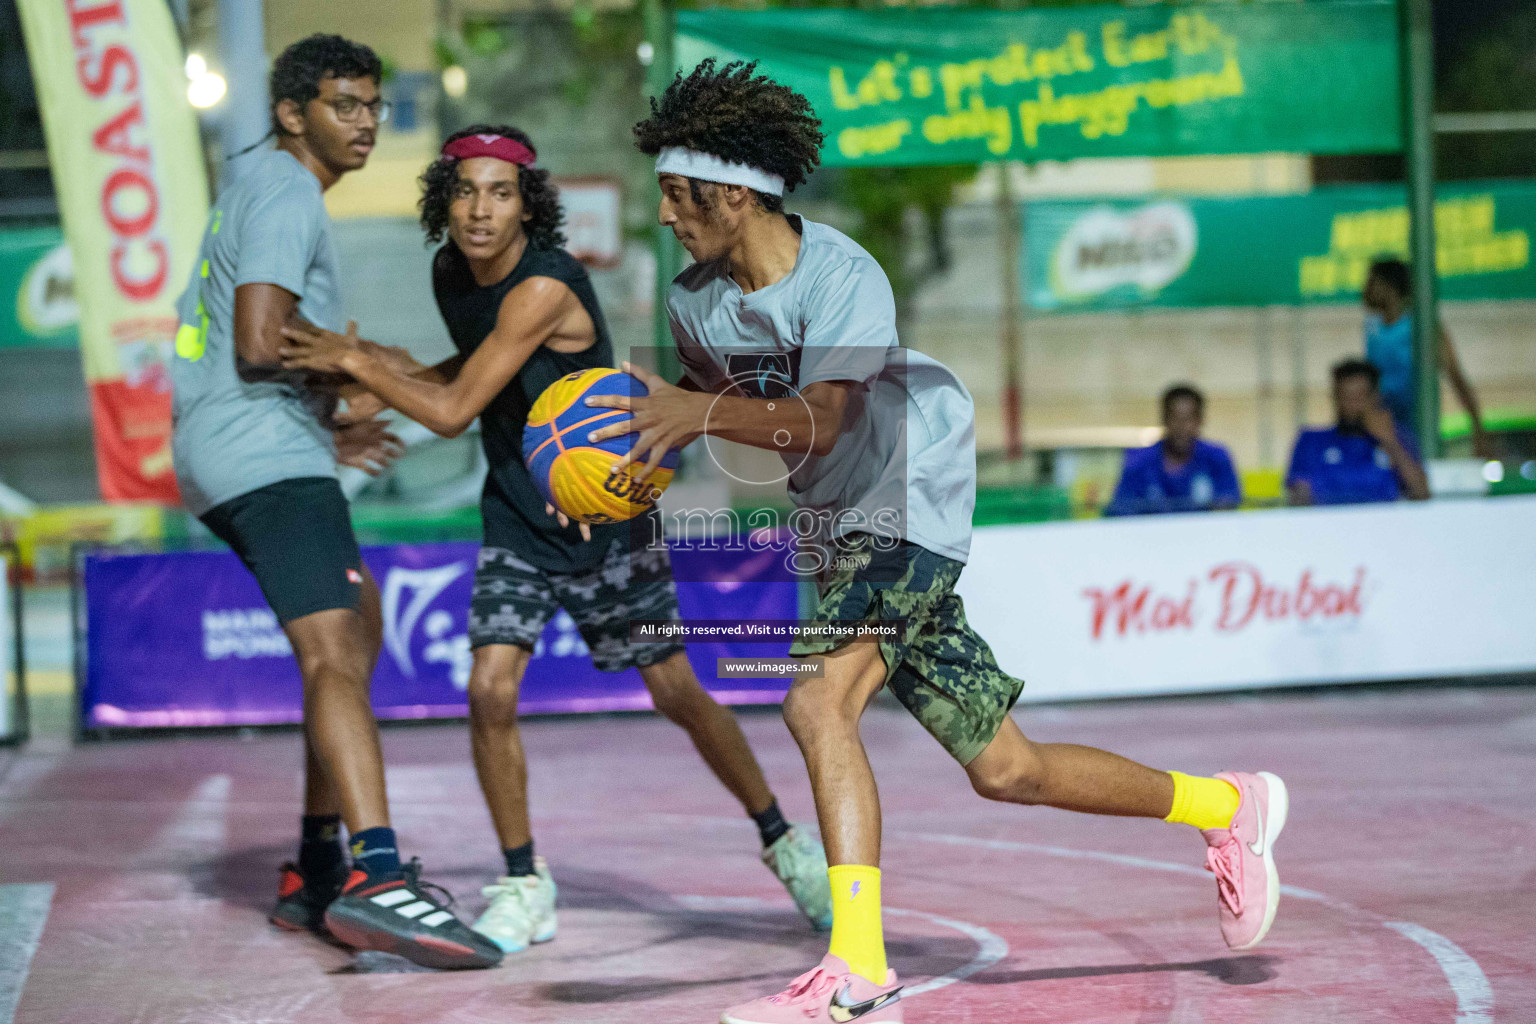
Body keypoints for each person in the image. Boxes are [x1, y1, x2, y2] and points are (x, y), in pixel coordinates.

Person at [591, 59, 1290, 1024]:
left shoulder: (844, 278)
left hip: (910, 492)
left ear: (736, 191)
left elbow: (825, 422)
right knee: (1008, 769)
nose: (665, 216)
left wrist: (689, 410)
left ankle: (860, 968)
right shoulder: (693, 303)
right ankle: (1227, 806)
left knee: (816, 701)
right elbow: (736, 421)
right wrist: (632, 470)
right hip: (841, 527)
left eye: (677, 195)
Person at [277, 124, 834, 954]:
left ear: (527, 206)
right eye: (465, 190)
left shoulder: (544, 288)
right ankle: (523, 879)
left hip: (606, 510)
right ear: (444, 200)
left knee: (676, 692)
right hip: (517, 514)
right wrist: (379, 374)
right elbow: (474, 380)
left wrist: (362, 364)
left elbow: (455, 410)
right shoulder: (448, 272)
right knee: (490, 689)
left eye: (500, 193)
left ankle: (784, 839)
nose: (479, 208)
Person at [169, 35, 501, 970]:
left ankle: (315, 869)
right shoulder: (281, 190)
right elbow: (259, 339)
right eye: (343, 105)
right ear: (292, 113)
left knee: (358, 626)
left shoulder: (270, 189)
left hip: (257, 444)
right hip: (257, 452)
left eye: (371, 107)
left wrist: (331, 415)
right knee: (334, 651)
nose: (363, 123)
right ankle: (377, 877)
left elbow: (262, 347)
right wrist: (371, 369)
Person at [1362, 258, 1488, 455]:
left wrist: (1478, 428)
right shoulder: (1372, 327)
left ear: (1390, 287)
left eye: (1371, 283)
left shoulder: (1422, 327)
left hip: (1417, 434)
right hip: (1381, 435)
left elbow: (1456, 378)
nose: (1365, 290)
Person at [1287, 358, 1430, 506]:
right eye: (1345, 397)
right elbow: (1299, 498)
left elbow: (1421, 493)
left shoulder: (1397, 441)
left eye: (1359, 397)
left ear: (1376, 397)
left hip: (1385, 525)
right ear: (1335, 398)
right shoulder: (1311, 442)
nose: (1352, 405)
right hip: (1327, 526)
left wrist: (1390, 442)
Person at [1104, 384, 1241, 516]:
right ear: (1164, 419)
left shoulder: (1217, 458)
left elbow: (1228, 504)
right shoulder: (1138, 462)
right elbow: (1120, 511)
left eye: (1188, 419)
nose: (1182, 427)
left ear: (1200, 420)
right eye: (1175, 418)